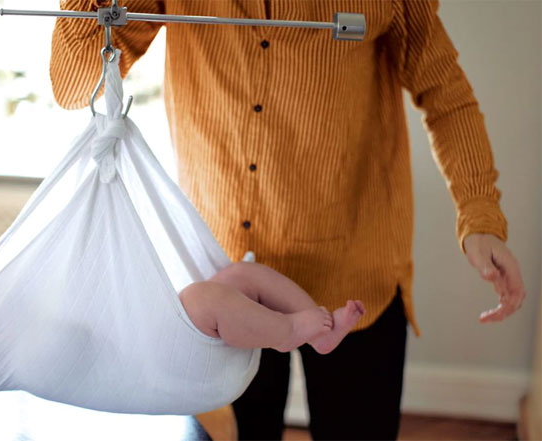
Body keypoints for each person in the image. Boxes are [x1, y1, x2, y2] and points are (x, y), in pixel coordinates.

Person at [50, 1, 527, 439]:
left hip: (356, 272)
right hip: (221, 279)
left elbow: (445, 92)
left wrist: (480, 214)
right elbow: (73, 86)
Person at [180, 261, 366, 354]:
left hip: (176, 312)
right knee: (202, 298)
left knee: (242, 273)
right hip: (168, 340)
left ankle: (322, 335)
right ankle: (289, 330)